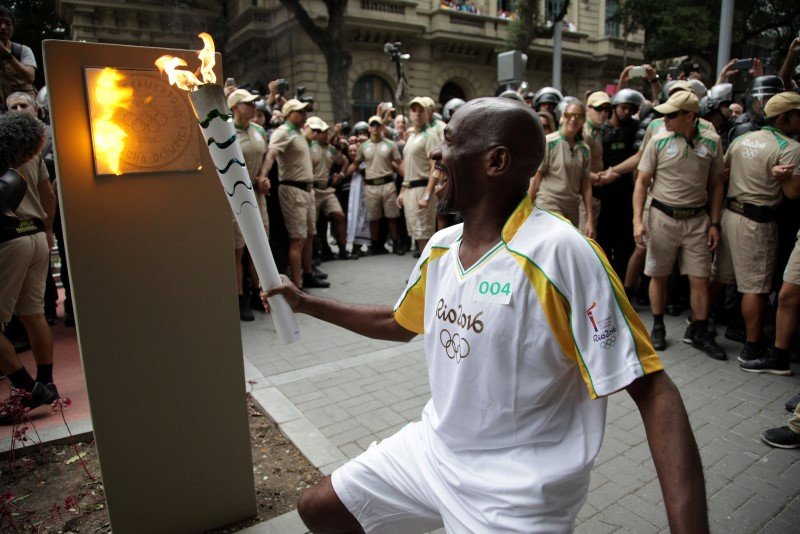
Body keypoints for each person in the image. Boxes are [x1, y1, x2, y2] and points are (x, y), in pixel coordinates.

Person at [263, 97, 707, 533]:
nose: (436, 153)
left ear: (495, 161)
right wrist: (305, 302)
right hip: (432, 451)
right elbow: (398, 324)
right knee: (320, 508)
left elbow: (653, 390)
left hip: (513, 493)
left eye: (451, 141)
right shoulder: (441, 247)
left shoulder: (560, 254)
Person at [633, 91, 726, 360]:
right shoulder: (659, 141)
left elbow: (717, 183)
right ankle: (658, 326)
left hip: (697, 219)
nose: (665, 119)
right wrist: (638, 220)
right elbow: (641, 182)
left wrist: (715, 223)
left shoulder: (712, 141)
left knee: (700, 278)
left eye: (672, 114)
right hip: (662, 217)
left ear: (690, 116)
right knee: (658, 274)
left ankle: (700, 331)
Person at [717, 92, 800, 374]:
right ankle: (752, 346)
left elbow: (724, 172)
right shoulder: (789, 147)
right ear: (784, 118)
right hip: (757, 223)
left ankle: (700, 322)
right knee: (755, 287)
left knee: (723, 277)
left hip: (730, 215)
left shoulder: (741, 138)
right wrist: (783, 177)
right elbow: (792, 193)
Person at [0, 100, 58, 425]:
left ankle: (28, 388)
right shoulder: (32, 150)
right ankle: (46, 384)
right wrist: (48, 229)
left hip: (8, 239)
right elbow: (47, 192)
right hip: (35, 235)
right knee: (33, 314)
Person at [262, 99, 328, 290]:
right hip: (292, 189)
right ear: (288, 114)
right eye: (299, 111)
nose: (304, 114)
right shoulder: (283, 132)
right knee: (297, 239)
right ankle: (296, 287)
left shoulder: (299, 132)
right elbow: (271, 155)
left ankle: (308, 275)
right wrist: (263, 176)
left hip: (307, 190)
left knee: (308, 236)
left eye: (305, 111)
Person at [227, 89, 271, 320]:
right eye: (247, 103)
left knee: (259, 247)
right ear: (234, 107)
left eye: (254, 103)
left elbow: (263, 159)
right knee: (238, 250)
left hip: (256, 196)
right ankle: (241, 298)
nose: (253, 106)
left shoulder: (259, 130)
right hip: (235, 197)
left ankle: (258, 292)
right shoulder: (225, 131)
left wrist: (262, 176)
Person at [530, 100, 595, 238]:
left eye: (578, 116)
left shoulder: (584, 149)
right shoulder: (549, 142)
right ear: (562, 117)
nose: (573, 119)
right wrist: (525, 210)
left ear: (583, 120)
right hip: (549, 203)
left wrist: (590, 218)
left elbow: (586, 186)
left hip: (572, 207)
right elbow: (536, 180)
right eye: (569, 114)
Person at [346, 115, 403, 255]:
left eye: (378, 125)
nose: (376, 127)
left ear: (381, 127)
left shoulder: (390, 144)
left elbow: (399, 164)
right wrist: (342, 175)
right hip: (371, 186)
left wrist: (407, 181)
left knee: (392, 217)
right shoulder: (364, 147)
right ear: (369, 128)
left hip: (388, 184)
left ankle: (396, 244)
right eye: (373, 125)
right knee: (374, 219)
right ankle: (375, 246)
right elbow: (356, 164)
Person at [398, 97, 440, 257]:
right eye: (414, 110)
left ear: (427, 113)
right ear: (409, 113)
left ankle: (428, 275)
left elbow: (435, 167)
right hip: (410, 189)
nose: (417, 114)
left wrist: (428, 194)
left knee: (425, 233)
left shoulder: (430, 135)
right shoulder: (412, 137)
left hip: (423, 189)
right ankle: (422, 273)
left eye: (421, 110)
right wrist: (403, 190)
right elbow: (408, 168)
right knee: (417, 232)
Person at [0, 6, 37, 113]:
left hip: (25, 111)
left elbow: (30, 77)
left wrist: (7, 54)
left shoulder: (22, 50)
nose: (3, 27)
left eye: (8, 24)